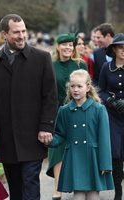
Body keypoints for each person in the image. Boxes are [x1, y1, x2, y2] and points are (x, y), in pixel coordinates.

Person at [0, 14, 57, 200]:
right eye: (16, 32)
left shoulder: (42, 58)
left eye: (23, 31)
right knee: (15, 189)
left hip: (33, 136)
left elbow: (50, 97)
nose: (22, 36)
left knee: (30, 182)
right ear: (4, 34)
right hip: (7, 138)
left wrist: (46, 126)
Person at [46, 69, 114, 200]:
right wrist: (50, 140)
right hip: (74, 158)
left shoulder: (99, 109)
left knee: (93, 195)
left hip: (93, 159)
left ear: (88, 87)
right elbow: (60, 134)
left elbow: (104, 139)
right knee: (78, 196)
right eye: (72, 86)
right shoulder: (64, 110)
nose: (75, 89)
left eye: (79, 86)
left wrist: (105, 164)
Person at [46, 33, 87, 200]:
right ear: (58, 46)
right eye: (64, 45)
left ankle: (80, 184)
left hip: (77, 109)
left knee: (79, 147)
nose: (68, 48)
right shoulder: (50, 65)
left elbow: (87, 88)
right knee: (57, 150)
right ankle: (57, 189)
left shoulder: (80, 64)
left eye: (71, 45)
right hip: (56, 111)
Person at [98, 33, 124, 200]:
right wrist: (111, 101)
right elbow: (100, 91)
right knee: (116, 155)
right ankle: (118, 192)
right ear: (114, 49)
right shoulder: (106, 68)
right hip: (113, 116)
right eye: (121, 48)